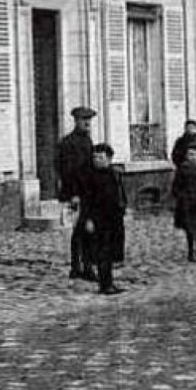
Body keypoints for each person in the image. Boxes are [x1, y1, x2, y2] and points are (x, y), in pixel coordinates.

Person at [77, 143, 127, 295]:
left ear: (109, 159)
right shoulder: (90, 178)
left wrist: (123, 209)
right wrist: (88, 220)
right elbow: (86, 201)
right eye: (95, 157)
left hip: (114, 219)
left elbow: (120, 195)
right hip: (98, 220)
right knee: (102, 253)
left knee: (111, 252)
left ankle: (110, 281)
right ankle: (105, 284)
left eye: (101, 157)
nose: (97, 160)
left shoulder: (114, 174)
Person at [56, 106, 96, 281]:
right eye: (83, 119)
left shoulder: (88, 141)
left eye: (89, 120)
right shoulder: (67, 143)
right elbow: (66, 171)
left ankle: (84, 267)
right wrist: (73, 194)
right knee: (79, 231)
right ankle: (77, 267)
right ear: (76, 121)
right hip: (77, 193)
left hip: (88, 192)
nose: (87, 123)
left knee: (86, 231)